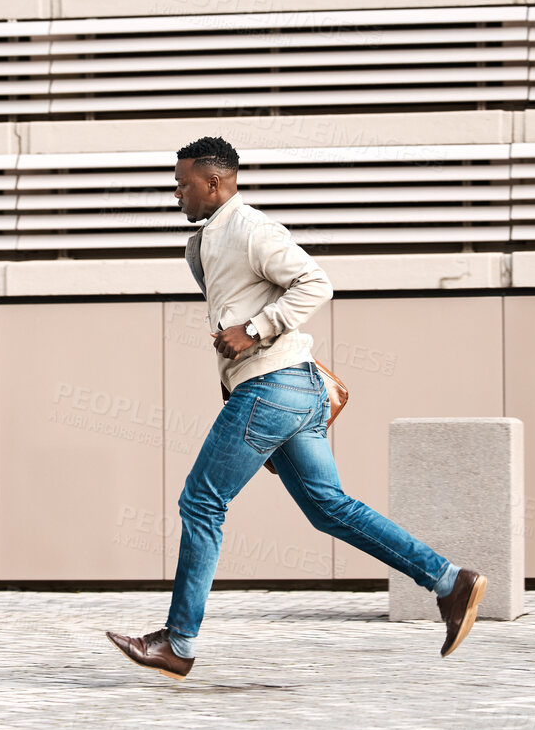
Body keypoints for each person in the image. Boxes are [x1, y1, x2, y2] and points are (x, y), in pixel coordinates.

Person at [106, 136, 486, 679]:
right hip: (288, 392)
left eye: (183, 183)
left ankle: (178, 642)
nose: (176, 192)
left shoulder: (251, 229)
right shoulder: (212, 239)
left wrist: (256, 330)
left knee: (202, 502)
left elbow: (316, 282)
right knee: (330, 508)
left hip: (273, 388)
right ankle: (450, 582)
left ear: (214, 182)